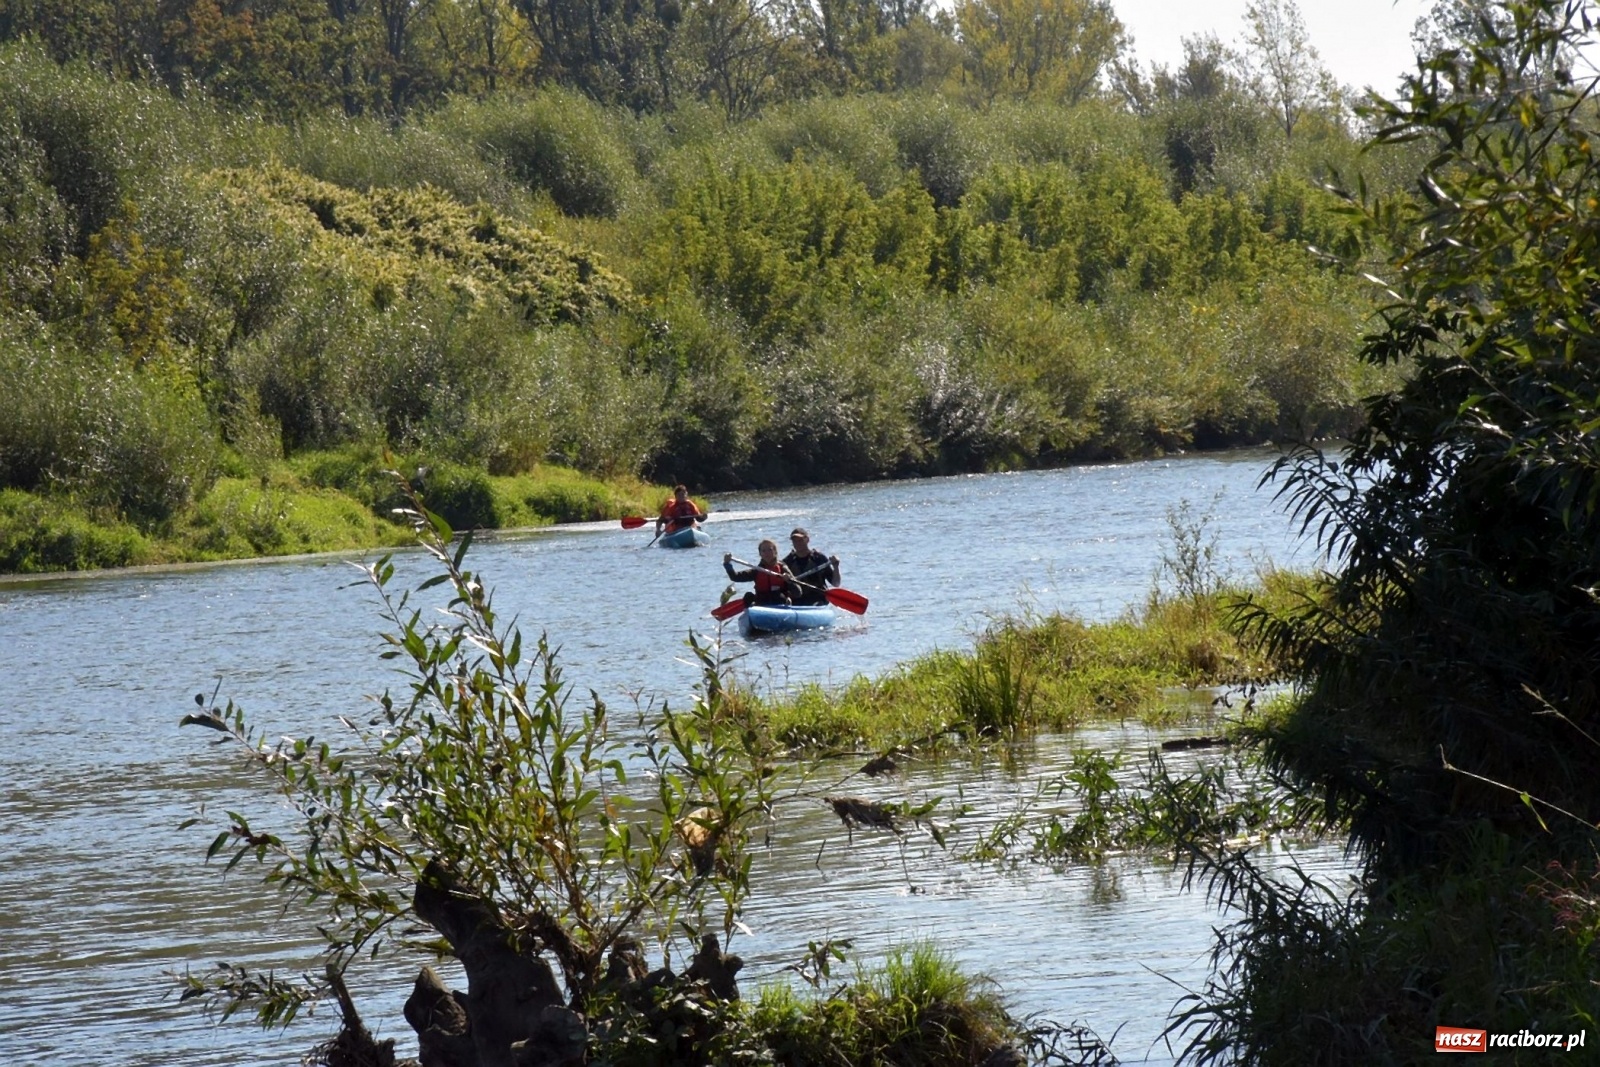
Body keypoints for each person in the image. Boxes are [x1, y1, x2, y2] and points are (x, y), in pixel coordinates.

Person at [723, 540, 800, 606]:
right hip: (762, 603)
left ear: (775, 552)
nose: (767, 553)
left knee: (777, 596)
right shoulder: (757, 571)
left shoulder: (782, 568)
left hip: (779, 602)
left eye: (770, 550)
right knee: (748, 596)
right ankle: (754, 612)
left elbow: (798, 592)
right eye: (763, 551)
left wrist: (789, 581)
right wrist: (727, 564)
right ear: (760, 554)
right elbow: (735, 577)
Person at [782, 528, 840, 606]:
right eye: (795, 541)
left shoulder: (819, 558)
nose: (797, 543)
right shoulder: (787, 562)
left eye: (800, 540)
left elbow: (836, 583)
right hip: (797, 604)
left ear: (807, 540)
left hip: (818, 601)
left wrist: (836, 567)